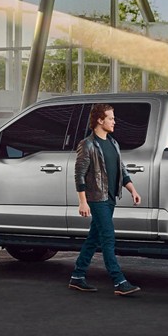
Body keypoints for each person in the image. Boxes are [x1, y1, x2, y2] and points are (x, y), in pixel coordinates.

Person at [68, 103, 142, 296]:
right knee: (108, 238)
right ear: (99, 120)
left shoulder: (113, 143)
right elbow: (79, 175)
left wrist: (132, 189)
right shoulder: (87, 144)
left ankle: (77, 276)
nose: (114, 121)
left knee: (94, 238)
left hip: (110, 198)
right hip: (96, 198)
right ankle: (119, 281)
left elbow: (122, 170)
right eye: (110, 118)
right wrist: (82, 201)